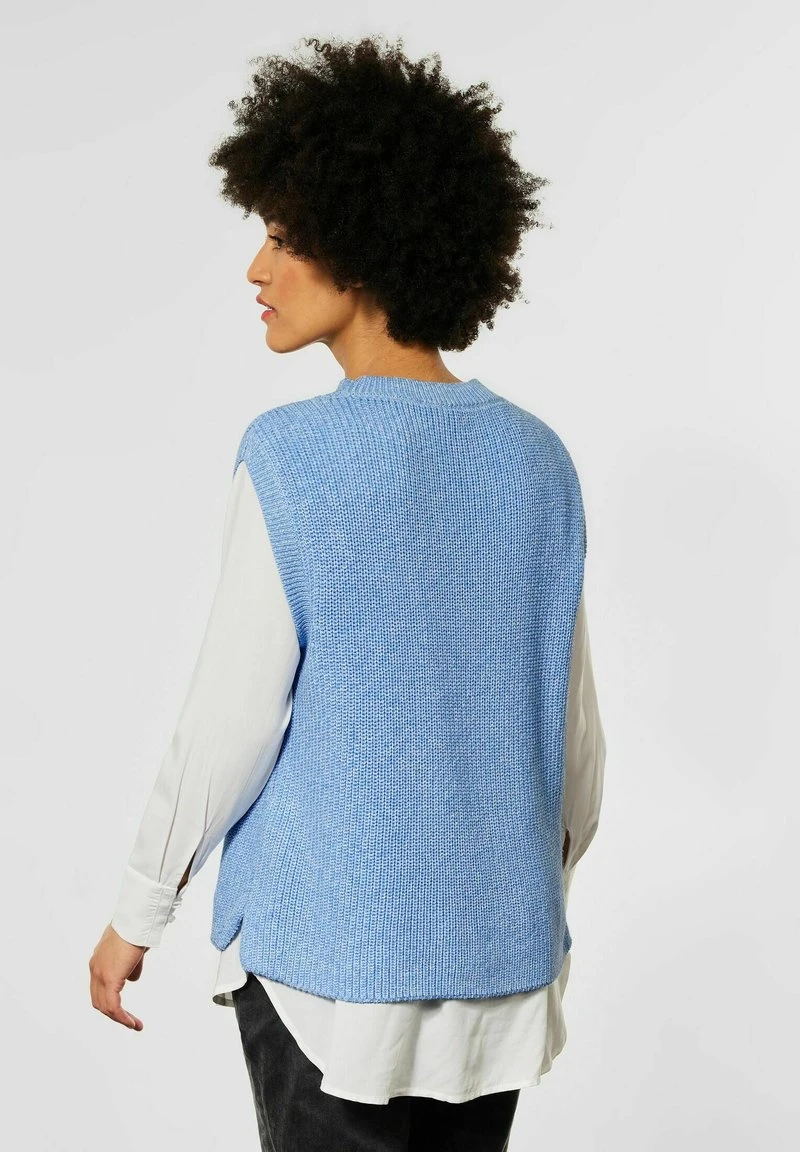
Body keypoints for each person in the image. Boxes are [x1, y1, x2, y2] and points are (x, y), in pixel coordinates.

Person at [89, 33, 606, 1152]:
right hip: (498, 982)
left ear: (360, 244)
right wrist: (510, 886)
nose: (255, 268)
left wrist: (140, 908)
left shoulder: (294, 456)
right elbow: (573, 751)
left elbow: (229, 720)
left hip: (326, 974)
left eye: (282, 236)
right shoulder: (539, 462)